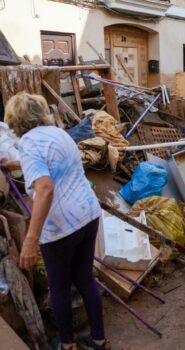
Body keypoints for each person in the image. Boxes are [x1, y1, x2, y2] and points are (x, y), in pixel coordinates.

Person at [2, 92, 111, 350]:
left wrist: (31, 239)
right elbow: (48, 162)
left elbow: (45, 189)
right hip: (88, 215)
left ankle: (67, 345)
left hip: (61, 227)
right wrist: (14, 163)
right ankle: (99, 340)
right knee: (85, 278)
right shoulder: (59, 133)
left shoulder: (29, 143)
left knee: (59, 288)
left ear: (15, 120)